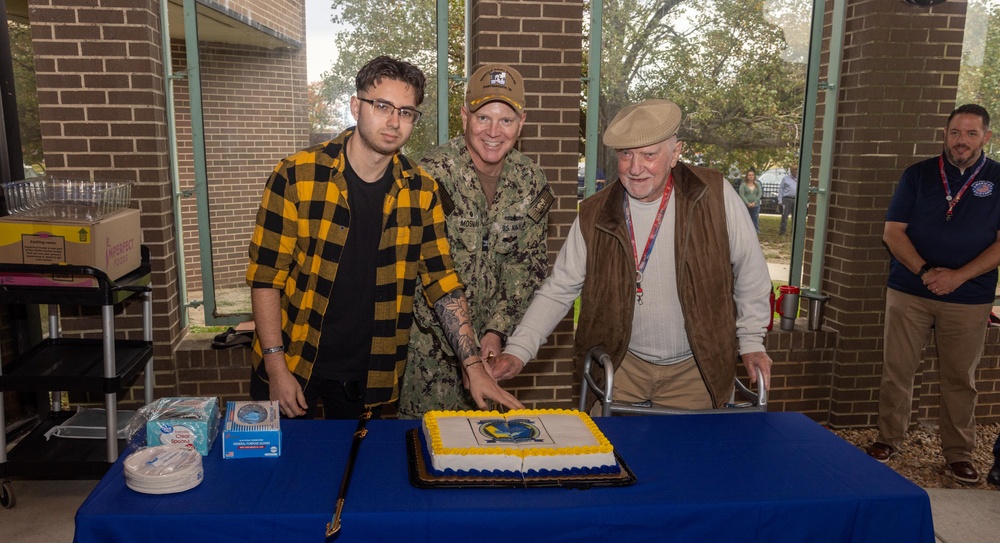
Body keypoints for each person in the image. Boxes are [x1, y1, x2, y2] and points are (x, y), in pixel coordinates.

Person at [245, 56, 522, 420]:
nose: (394, 122)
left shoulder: (421, 190)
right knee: (286, 475)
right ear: (356, 106)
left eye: (406, 112)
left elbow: (442, 283)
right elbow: (266, 279)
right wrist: (277, 369)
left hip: (371, 376)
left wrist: (472, 367)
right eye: (382, 106)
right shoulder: (297, 175)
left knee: (360, 473)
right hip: (295, 364)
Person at [492, 99, 773, 411]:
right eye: (626, 154)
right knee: (609, 455)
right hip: (620, 367)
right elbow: (559, 288)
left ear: (675, 153)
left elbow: (750, 271)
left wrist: (750, 340)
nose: (635, 168)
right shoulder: (595, 212)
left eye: (648, 155)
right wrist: (518, 350)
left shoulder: (714, 194)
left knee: (687, 459)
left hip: (697, 372)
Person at [397, 64, 552, 418]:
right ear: (464, 116)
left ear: (522, 121)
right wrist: (465, 353)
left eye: (506, 120)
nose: (494, 131)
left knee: (486, 458)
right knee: (425, 457)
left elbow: (525, 267)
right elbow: (419, 273)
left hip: (490, 356)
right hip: (428, 356)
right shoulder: (428, 175)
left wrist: (496, 331)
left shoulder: (531, 181)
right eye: (483, 118)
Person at [866, 104, 1000, 485]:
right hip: (911, 290)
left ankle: (958, 454)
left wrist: (958, 277)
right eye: (956, 132)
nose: (962, 140)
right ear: (945, 134)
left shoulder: (998, 179)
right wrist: (927, 273)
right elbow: (892, 233)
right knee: (898, 370)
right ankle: (889, 439)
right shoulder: (918, 175)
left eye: (972, 133)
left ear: (986, 137)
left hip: (970, 297)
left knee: (960, 378)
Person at [777, 165, 797, 235]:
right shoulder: (785, 179)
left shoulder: (800, 179)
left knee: (795, 217)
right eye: (794, 169)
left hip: (796, 200)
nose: (796, 171)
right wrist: (780, 201)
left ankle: (794, 233)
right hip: (786, 199)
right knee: (784, 217)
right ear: (791, 170)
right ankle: (782, 232)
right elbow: (781, 189)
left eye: (797, 169)